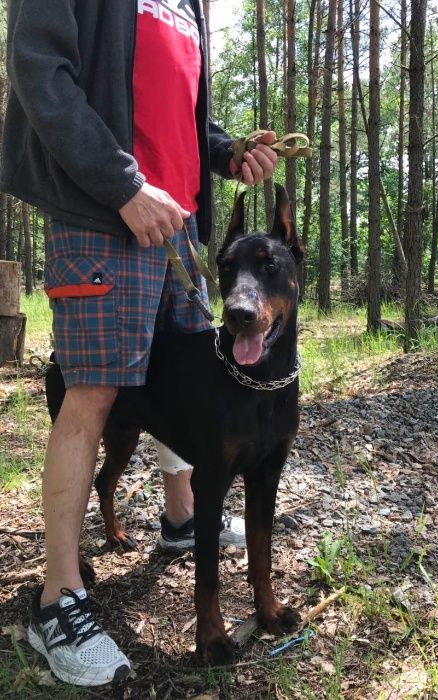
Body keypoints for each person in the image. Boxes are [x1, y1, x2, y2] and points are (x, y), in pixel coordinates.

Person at [1, 0, 278, 687]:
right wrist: (122, 184)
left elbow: (178, 115)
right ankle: (57, 598)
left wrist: (225, 152)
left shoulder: (187, 4)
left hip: (177, 225)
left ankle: (181, 518)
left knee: (185, 384)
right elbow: (40, 71)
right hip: (103, 213)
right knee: (94, 391)